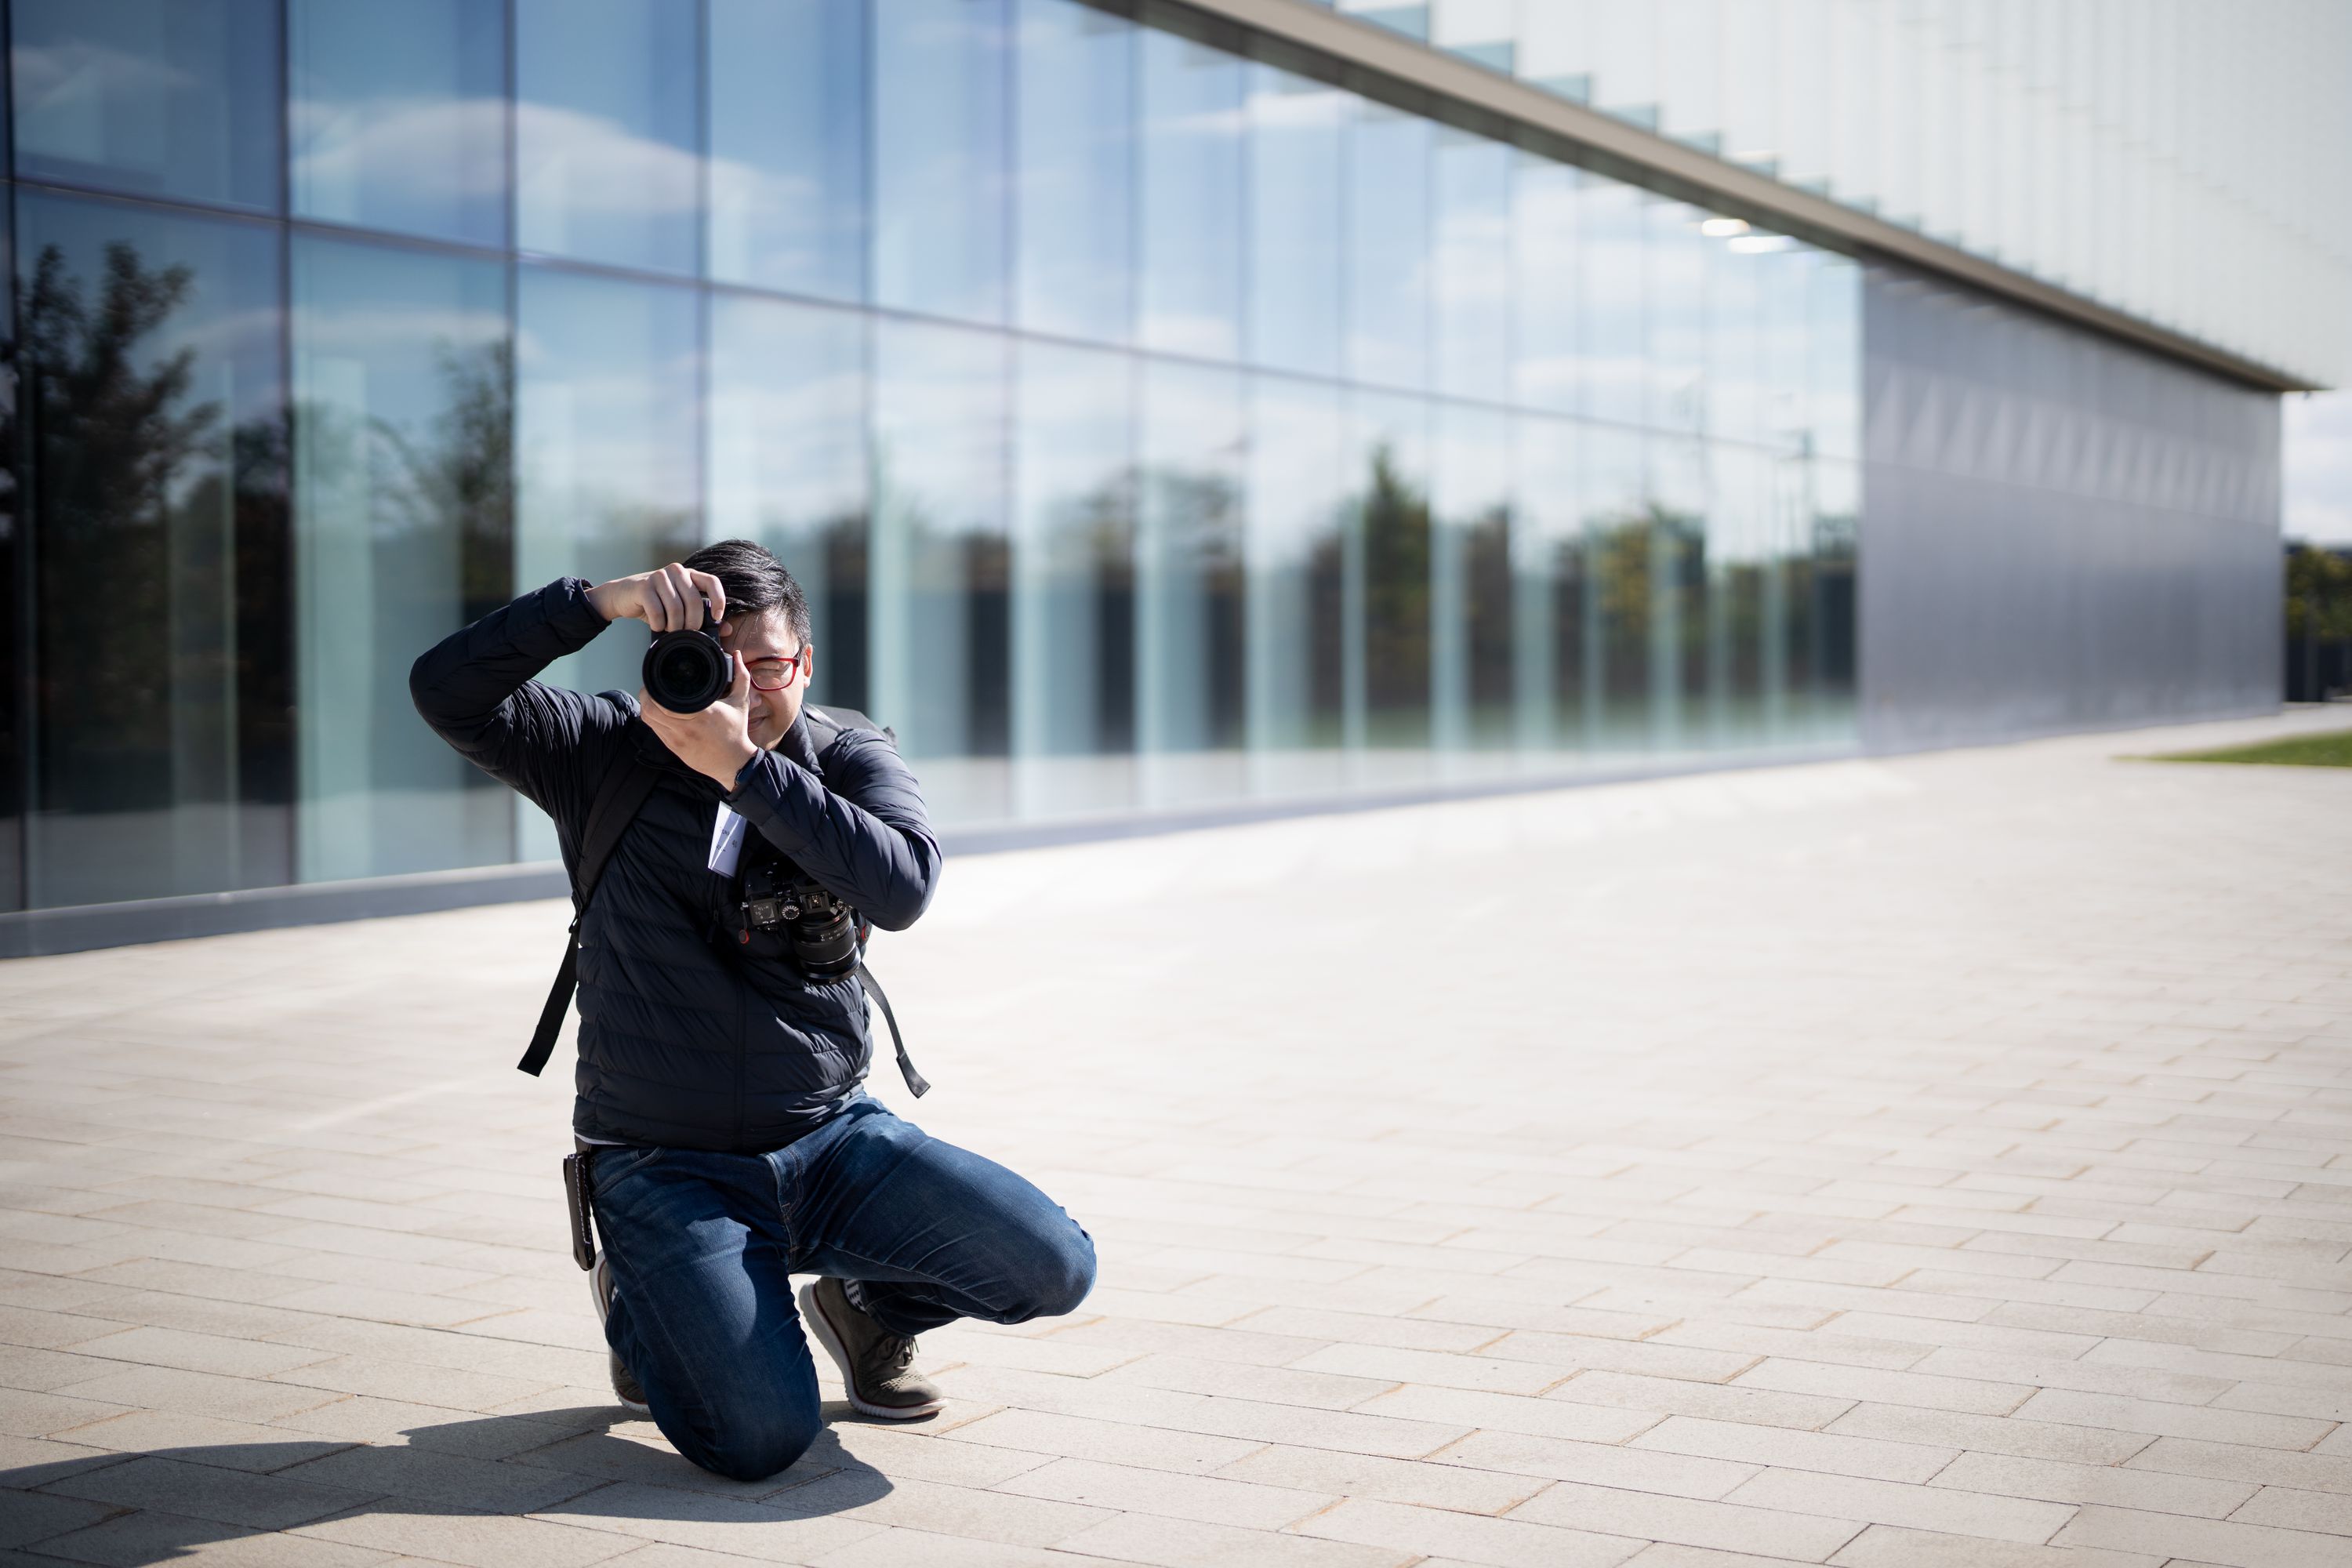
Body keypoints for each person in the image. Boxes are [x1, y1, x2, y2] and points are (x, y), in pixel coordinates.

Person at [409, 541, 1096, 1483]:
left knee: (1054, 1264)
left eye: (766, 664)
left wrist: (746, 768)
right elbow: (445, 689)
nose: (739, 685)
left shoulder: (847, 755)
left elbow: (903, 887)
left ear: (803, 664)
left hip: (830, 1140)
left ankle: (868, 1308)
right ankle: (649, 1297)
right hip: (665, 1161)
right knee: (760, 1440)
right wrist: (592, 601)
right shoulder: (599, 750)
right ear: (662, 655)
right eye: (712, 658)